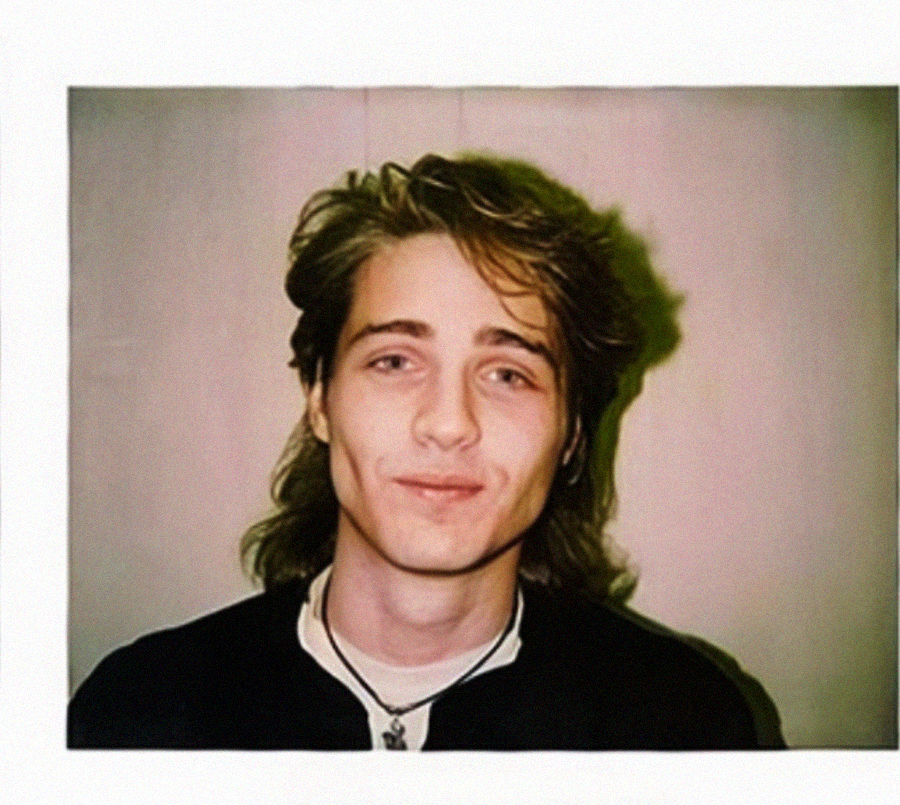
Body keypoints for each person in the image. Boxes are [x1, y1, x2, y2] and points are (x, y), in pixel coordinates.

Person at [68, 154, 784, 750]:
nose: (448, 423)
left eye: (508, 373)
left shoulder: (685, 722)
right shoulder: (141, 710)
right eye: (395, 361)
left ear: (570, 433)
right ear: (319, 397)